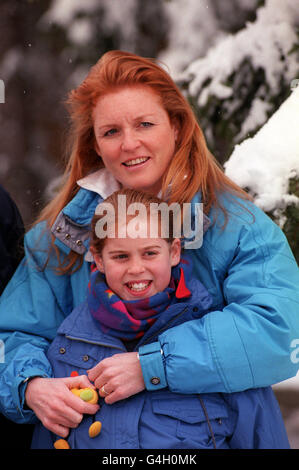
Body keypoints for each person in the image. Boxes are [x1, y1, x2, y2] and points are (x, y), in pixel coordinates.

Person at [0, 50, 298, 441]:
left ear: (176, 126)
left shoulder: (234, 225)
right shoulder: (61, 238)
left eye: (144, 124)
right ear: (96, 144)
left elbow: (278, 328)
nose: (129, 143)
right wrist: (30, 386)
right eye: (111, 132)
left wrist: (153, 365)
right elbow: (12, 335)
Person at [31, 188, 290, 449]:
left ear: (174, 251)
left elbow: (262, 436)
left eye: (150, 253)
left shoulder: (222, 345)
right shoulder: (67, 347)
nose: (136, 269)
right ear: (98, 259)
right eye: (120, 256)